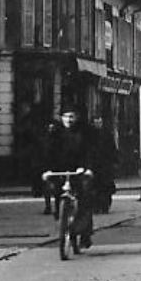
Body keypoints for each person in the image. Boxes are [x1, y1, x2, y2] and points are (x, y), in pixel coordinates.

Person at [46, 103, 99, 251]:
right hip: (60, 171)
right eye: (66, 117)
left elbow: (90, 151)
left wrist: (88, 168)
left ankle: (85, 234)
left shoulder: (84, 132)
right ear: (61, 118)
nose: (69, 120)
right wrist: (48, 170)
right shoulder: (55, 133)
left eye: (71, 116)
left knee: (85, 198)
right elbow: (48, 153)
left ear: (76, 118)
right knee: (56, 194)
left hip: (79, 171)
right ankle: (62, 220)